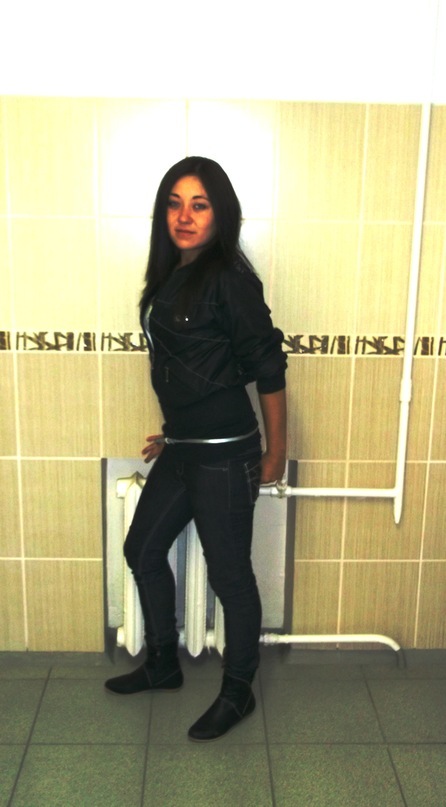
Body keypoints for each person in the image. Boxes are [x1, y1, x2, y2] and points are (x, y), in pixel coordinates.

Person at [105, 156, 287, 742]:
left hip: (226, 455)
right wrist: (174, 430)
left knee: (230, 577)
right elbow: (191, 365)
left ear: (220, 213)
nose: (184, 216)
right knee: (141, 548)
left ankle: (238, 692)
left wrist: (276, 451)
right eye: (174, 203)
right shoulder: (169, 277)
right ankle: (163, 663)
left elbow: (268, 367)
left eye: (199, 205)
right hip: (184, 448)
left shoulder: (230, 280)